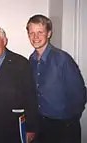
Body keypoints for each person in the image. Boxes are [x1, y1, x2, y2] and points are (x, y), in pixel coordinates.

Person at [27, 14, 87, 143]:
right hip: (41, 125)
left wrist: (70, 120)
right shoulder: (31, 60)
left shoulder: (62, 59)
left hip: (63, 127)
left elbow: (79, 94)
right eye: (31, 33)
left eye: (40, 32)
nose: (35, 37)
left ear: (49, 33)